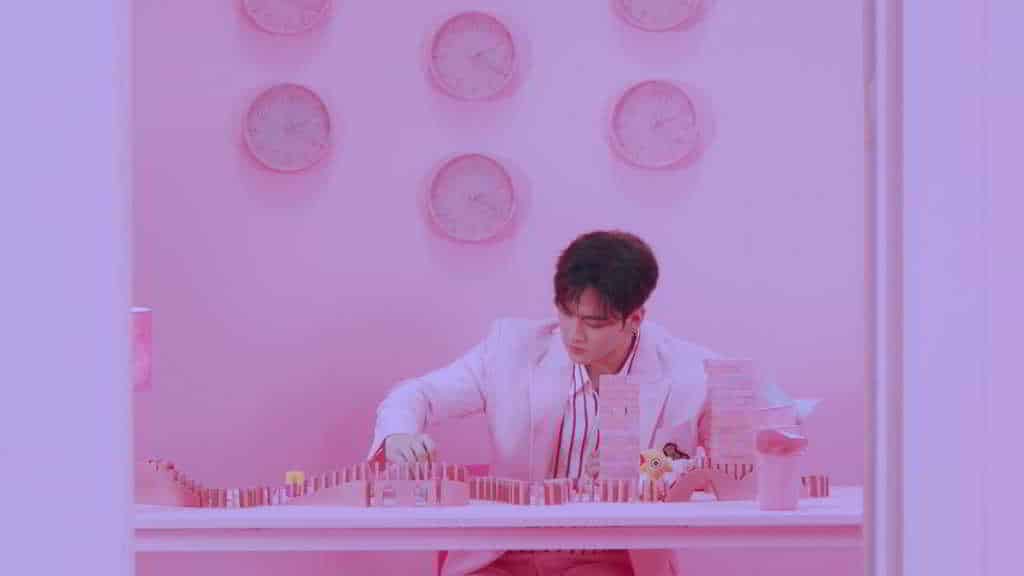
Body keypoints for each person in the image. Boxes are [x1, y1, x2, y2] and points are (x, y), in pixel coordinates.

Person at [368, 230, 740, 575]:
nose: (574, 334)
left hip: (612, 559)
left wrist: (651, 470)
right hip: (501, 554)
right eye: (566, 312)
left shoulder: (692, 373)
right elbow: (416, 395)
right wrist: (399, 435)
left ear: (635, 319)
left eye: (594, 323)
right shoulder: (510, 349)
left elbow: (731, 477)